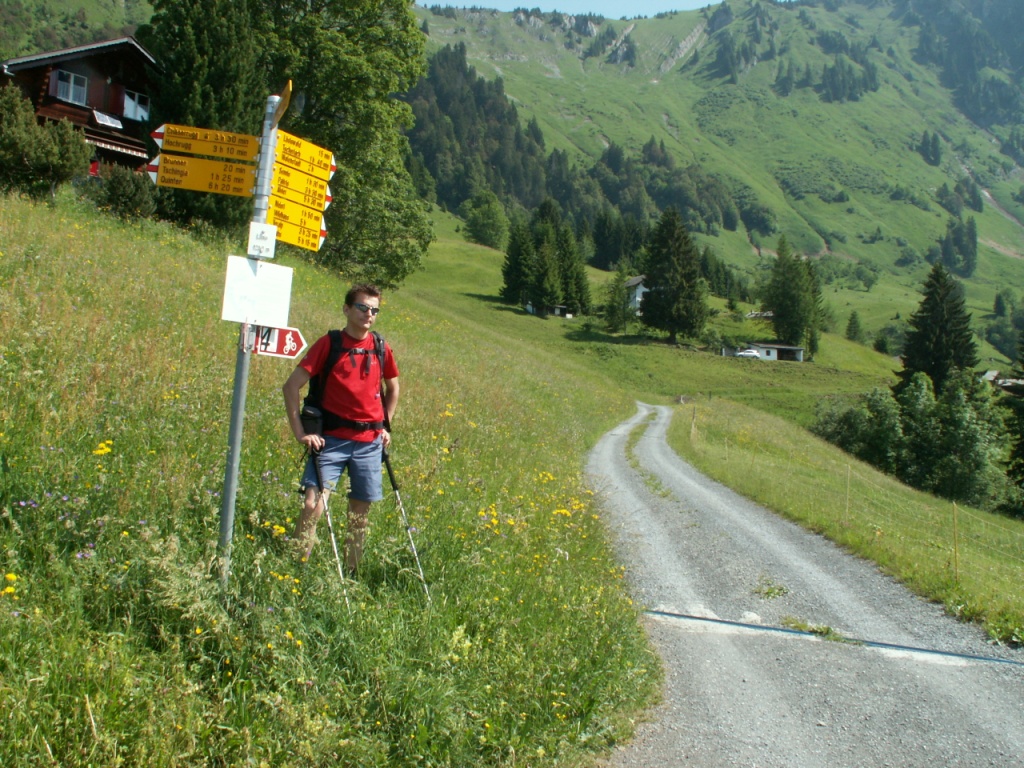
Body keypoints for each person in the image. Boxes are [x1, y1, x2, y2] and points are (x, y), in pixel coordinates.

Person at [282, 284, 399, 574]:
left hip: (369, 442)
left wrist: (386, 426)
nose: (368, 314)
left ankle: (349, 576)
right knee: (312, 505)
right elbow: (291, 386)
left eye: (374, 310)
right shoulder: (329, 344)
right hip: (330, 440)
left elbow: (393, 387)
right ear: (347, 309)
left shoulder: (381, 347)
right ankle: (295, 570)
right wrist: (300, 432)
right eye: (362, 307)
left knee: (359, 516)